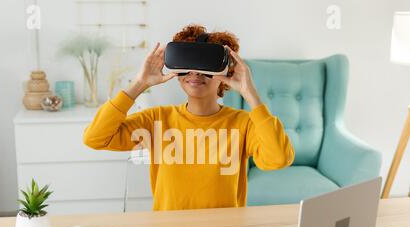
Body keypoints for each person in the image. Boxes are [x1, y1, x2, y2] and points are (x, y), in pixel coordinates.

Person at [83, 24, 295, 211]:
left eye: (205, 65)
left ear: (224, 75)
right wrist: (140, 83)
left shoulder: (243, 124)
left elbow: (278, 159)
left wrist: (250, 93)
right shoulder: (156, 120)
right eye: (188, 65)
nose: (195, 72)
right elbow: (95, 138)